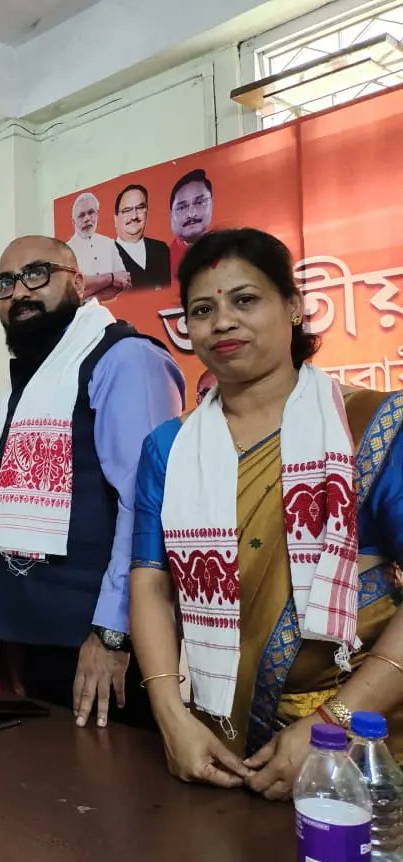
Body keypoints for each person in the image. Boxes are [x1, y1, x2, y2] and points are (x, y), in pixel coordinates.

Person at [130, 228, 403, 801]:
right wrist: (170, 717)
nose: (222, 322)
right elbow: (151, 581)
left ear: (294, 307)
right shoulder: (168, 447)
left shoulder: (373, 426)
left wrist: (333, 723)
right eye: (202, 309)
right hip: (216, 737)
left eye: (245, 300)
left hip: (364, 740)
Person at [0, 235, 184, 728]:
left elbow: (147, 506)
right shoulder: (31, 383)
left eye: (36, 274)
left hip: (100, 638)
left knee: (111, 787)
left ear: (76, 281)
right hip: (35, 636)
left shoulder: (124, 359)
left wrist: (114, 633)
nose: (19, 293)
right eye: (5, 284)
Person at [66, 192, 130, 302]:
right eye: (81, 215)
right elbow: (74, 291)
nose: (87, 219)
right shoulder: (67, 250)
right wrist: (112, 278)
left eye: (91, 212)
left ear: (97, 214)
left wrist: (91, 295)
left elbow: (124, 280)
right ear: (73, 222)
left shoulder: (109, 243)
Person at [113, 184, 171, 288]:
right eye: (127, 210)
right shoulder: (106, 258)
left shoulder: (161, 250)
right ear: (116, 219)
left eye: (140, 208)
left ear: (147, 212)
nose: (134, 216)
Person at [168, 169, 214, 283]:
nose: (191, 214)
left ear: (211, 204)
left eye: (199, 203)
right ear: (171, 215)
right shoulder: (161, 265)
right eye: (182, 208)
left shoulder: (229, 251)